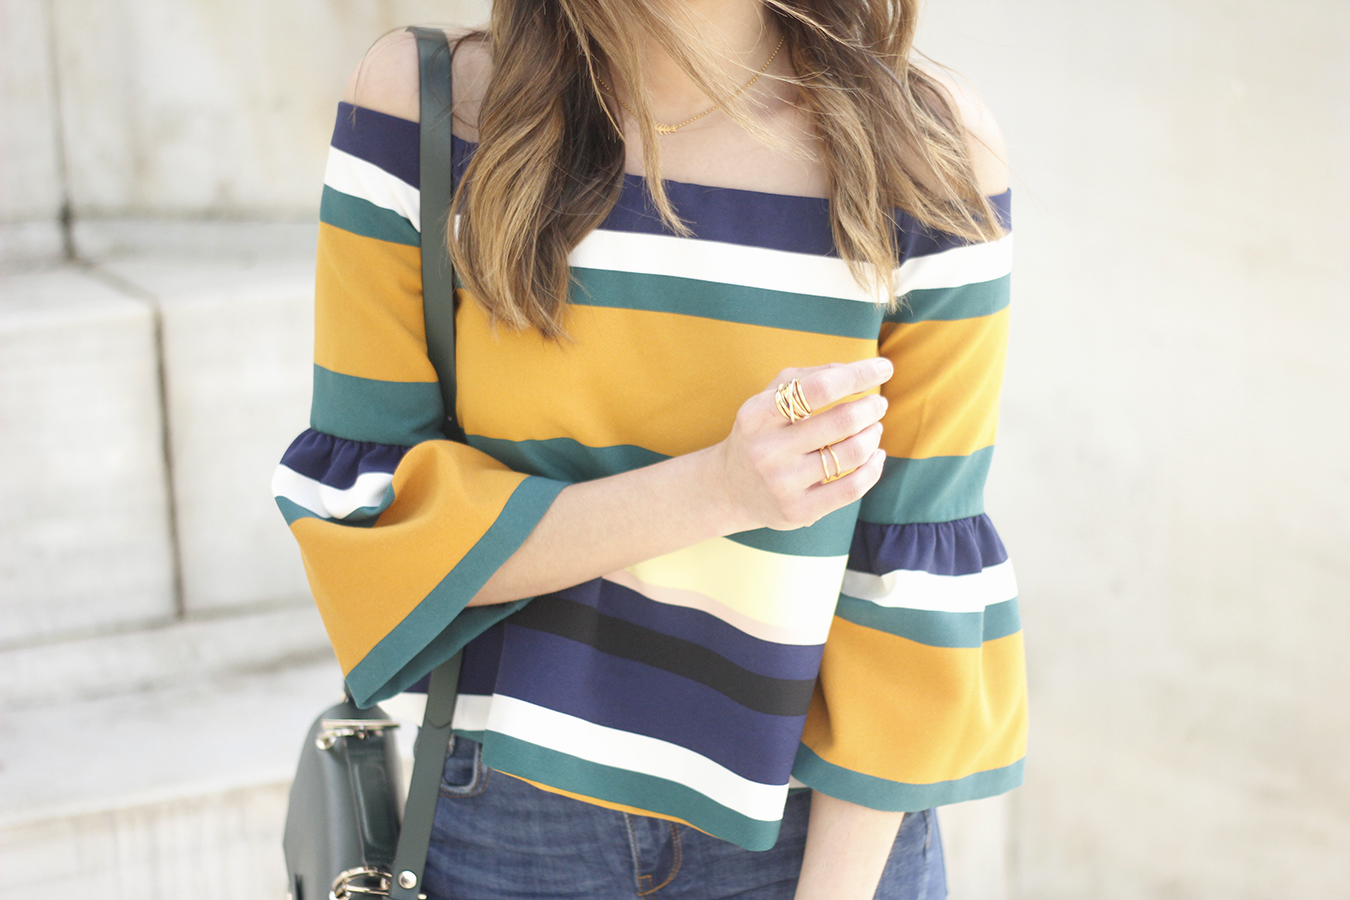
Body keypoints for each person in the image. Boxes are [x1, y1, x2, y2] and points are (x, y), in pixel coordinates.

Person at [273, 1, 1026, 897]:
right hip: (511, 823)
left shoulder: (926, 147)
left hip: (813, 838)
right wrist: (718, 490)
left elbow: (911, 584)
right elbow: (369, 525)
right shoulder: (430, 109)